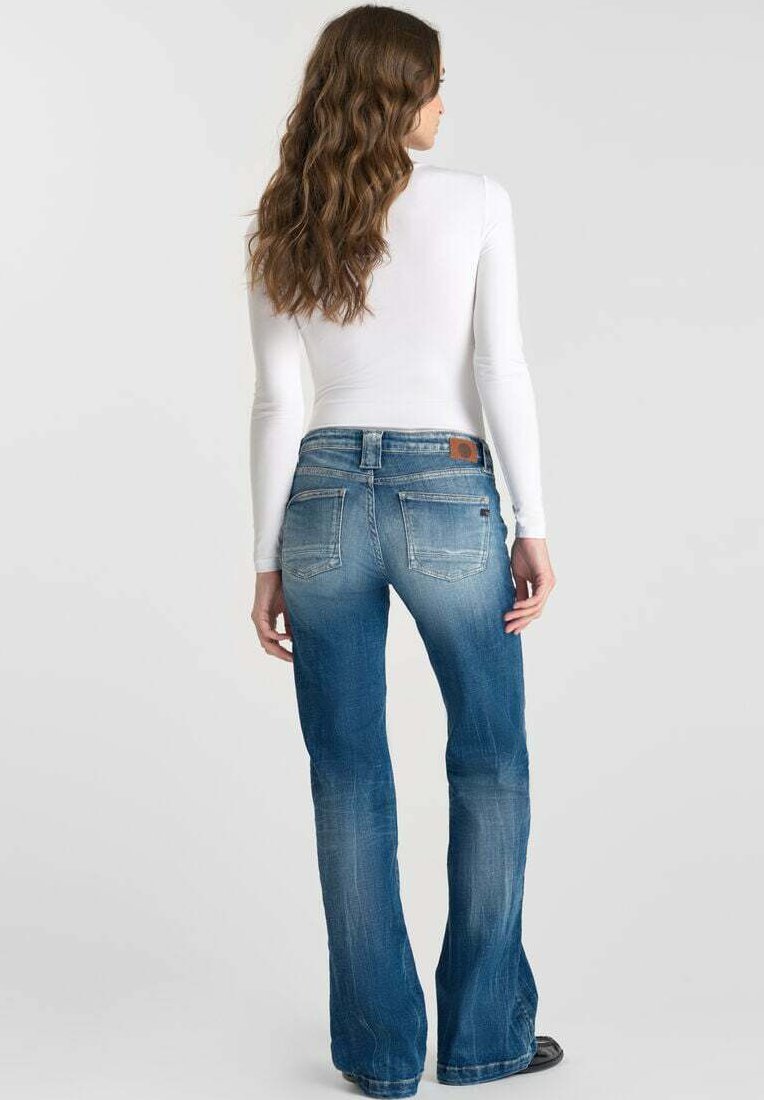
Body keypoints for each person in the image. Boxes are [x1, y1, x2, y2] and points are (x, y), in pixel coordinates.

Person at [243, 6, 561, 1097]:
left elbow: (278, 403)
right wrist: (531, 521)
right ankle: (483, 1039)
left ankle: (381, 1058)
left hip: (321, 497)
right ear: (396, 94)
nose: (442, 103)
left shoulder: (286, 216)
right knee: (490, 761)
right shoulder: (476, 202)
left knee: (346, 774)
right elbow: (500, 366)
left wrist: (266, 556)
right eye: (433, 84)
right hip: (447, 487)